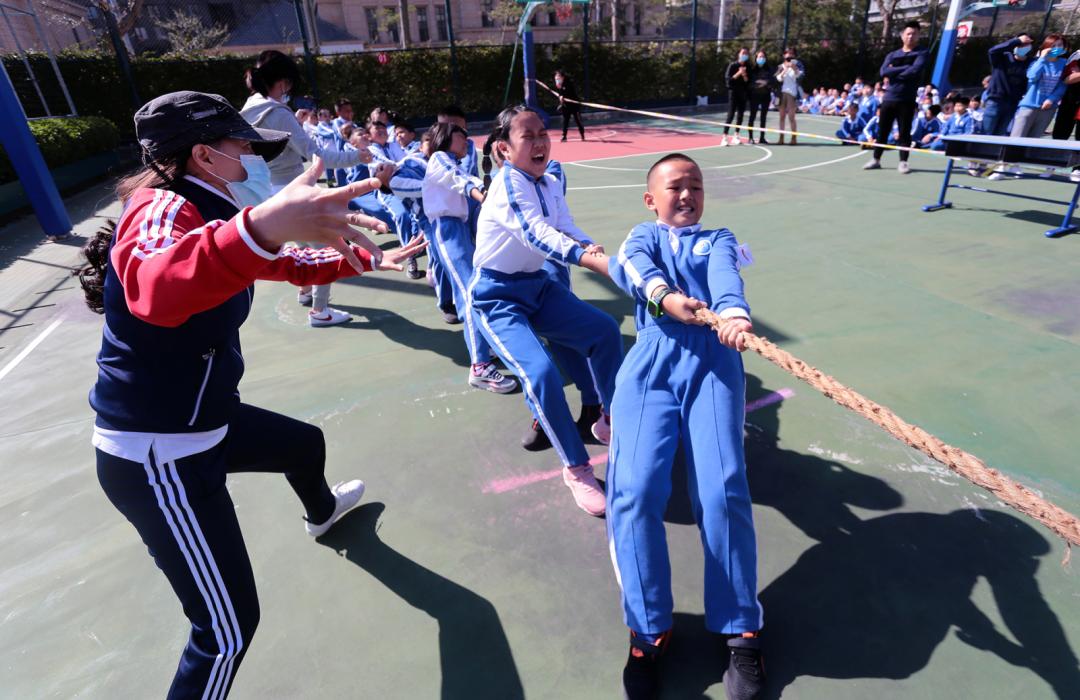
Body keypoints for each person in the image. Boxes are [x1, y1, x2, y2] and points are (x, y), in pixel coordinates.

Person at [76, 91, 424, 700]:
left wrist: (363, 259)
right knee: (227, 630)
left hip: (203, 423)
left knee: (303, 443)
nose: (254, 160)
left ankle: (323, 515)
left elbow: (278, 262)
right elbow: (157, 287)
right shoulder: (160, 207)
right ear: (205, 156)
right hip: (158, 452)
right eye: (245, 149)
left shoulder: (209, 209)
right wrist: (259, 226)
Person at [607, 153, 763, 700]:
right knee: (633, 491)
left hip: (715, 361)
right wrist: (667, 298)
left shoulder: (717, 237)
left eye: (695, 186)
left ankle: (740, 627)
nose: (687, 195)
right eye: (675, 187)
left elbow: (726, 277)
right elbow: (630, 266)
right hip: (651, 361)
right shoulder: (640, 236)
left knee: (723, 492)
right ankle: (648, 629)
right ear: (651, 198)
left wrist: (735, 313)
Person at [472, 105, 622, 516]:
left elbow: (566, 225)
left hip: (538, 286)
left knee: (604, 331)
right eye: (528, 136)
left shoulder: (549, 180)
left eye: (543, 133)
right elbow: (538, 234)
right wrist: (589, 261)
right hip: (496, 295)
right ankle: (577, 470)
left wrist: (593, 247)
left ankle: (609, 420)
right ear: (504, 148)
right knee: (539, 373)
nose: (540, 142)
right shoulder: (508, 185)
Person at [239, 51, 370, 327]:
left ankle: (305, 289)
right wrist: (358, 155)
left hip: (263, 193)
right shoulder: (279, 114)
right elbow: (317, 155)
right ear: (284, 82)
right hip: (293, 190)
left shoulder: (249, 107)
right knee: (330, 250)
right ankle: (320, 311)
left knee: (299, 243)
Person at [422, 122, 517, 394]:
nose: (466, 139)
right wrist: (483, 194)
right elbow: (461, 181)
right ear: (444, 138)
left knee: (476, 287)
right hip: (447, 229)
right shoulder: (440, 158)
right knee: (469, 293)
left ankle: (484, 348)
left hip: (458, 229)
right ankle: (480, 368)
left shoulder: (453, 160)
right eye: (460, 135)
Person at [864, 20, 927, 174]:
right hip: (889, 98)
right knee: (882, 131)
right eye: (908, 33)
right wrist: (905, 68)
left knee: (904, 132)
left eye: (914, 34)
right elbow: (883, 72)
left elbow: (915, 71)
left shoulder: (922, 53)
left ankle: (903, 162)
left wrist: (895, 71)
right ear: (902, 36)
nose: (911, 36)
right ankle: (876, 159)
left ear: (918, 36)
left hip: (907, 99)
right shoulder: (892, 54)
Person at [1010, 34, 1068, 139]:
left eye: (1060, 45)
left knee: (1035, 139)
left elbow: (1063, 84)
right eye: (1053, 45)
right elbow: (1032, 77)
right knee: (1017, 137)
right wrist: (1042, 59)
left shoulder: (1064, 63)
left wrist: (1052, 99)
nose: (1056, 48)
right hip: (1029, 106)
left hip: (1048, 108)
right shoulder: (1036, 62)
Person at [984, 34, 1034, 137]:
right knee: (986, 133)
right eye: (1020, 44)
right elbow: (992, 51)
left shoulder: (1031, 63)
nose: (1022, 46)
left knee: (1000, 134)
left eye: (1025, 44)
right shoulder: (1003, 57)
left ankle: (993, 153)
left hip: (1013, 103)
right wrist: (1016, 41)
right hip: (995, 101)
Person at [775, 48, 804, 145]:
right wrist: (785, 70)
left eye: (791, 54)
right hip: (781, 93)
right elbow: (778, 78)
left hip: (792, 93)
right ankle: (781, 138)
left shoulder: (798, 65)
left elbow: (800, 76)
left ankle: (793, 138)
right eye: (787, 54)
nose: (789, 56)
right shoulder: (780, 66)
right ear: (784, 55)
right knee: (782, 117)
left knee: (791, 117)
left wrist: (794, 68)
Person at [723, 48, 751, 146]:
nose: (745, 55)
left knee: (740, 115)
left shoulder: (748, 66)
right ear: (739, 54)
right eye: (743, 53)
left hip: (742, 93)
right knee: (730, 115)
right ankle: (725, 137)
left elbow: (748, 82)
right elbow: (729, 81)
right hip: (733, 93)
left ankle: (736, 135)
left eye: (746, 53)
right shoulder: (733, 65)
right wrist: (738, 73)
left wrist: (744, 75)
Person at [747, 50, 774, 145]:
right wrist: (758, 84)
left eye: (763, 57)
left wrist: (766, 83)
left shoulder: (769, 69)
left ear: (765, 58)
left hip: (765, 96)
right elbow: (750, 82)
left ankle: (762, 137)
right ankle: (750, 138)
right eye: (759, 57)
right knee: (752, 116)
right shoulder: (752, 69)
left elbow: (772, 81)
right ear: (756, 58)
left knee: (763, 117)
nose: (761, 59)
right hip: (754, 96)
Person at [552, 69, 586, 142]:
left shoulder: (568, 83)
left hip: (574, 105)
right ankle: (564, 136)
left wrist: (562, 95)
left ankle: (582, 134)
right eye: (556, 78)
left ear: (562, 77)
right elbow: (560, 93)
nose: (557, 79)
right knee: (566, 120)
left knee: (577, 120)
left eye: (558, 77)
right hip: (565, 105)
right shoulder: (559, 84)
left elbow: (568, 93)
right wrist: (560, 97)